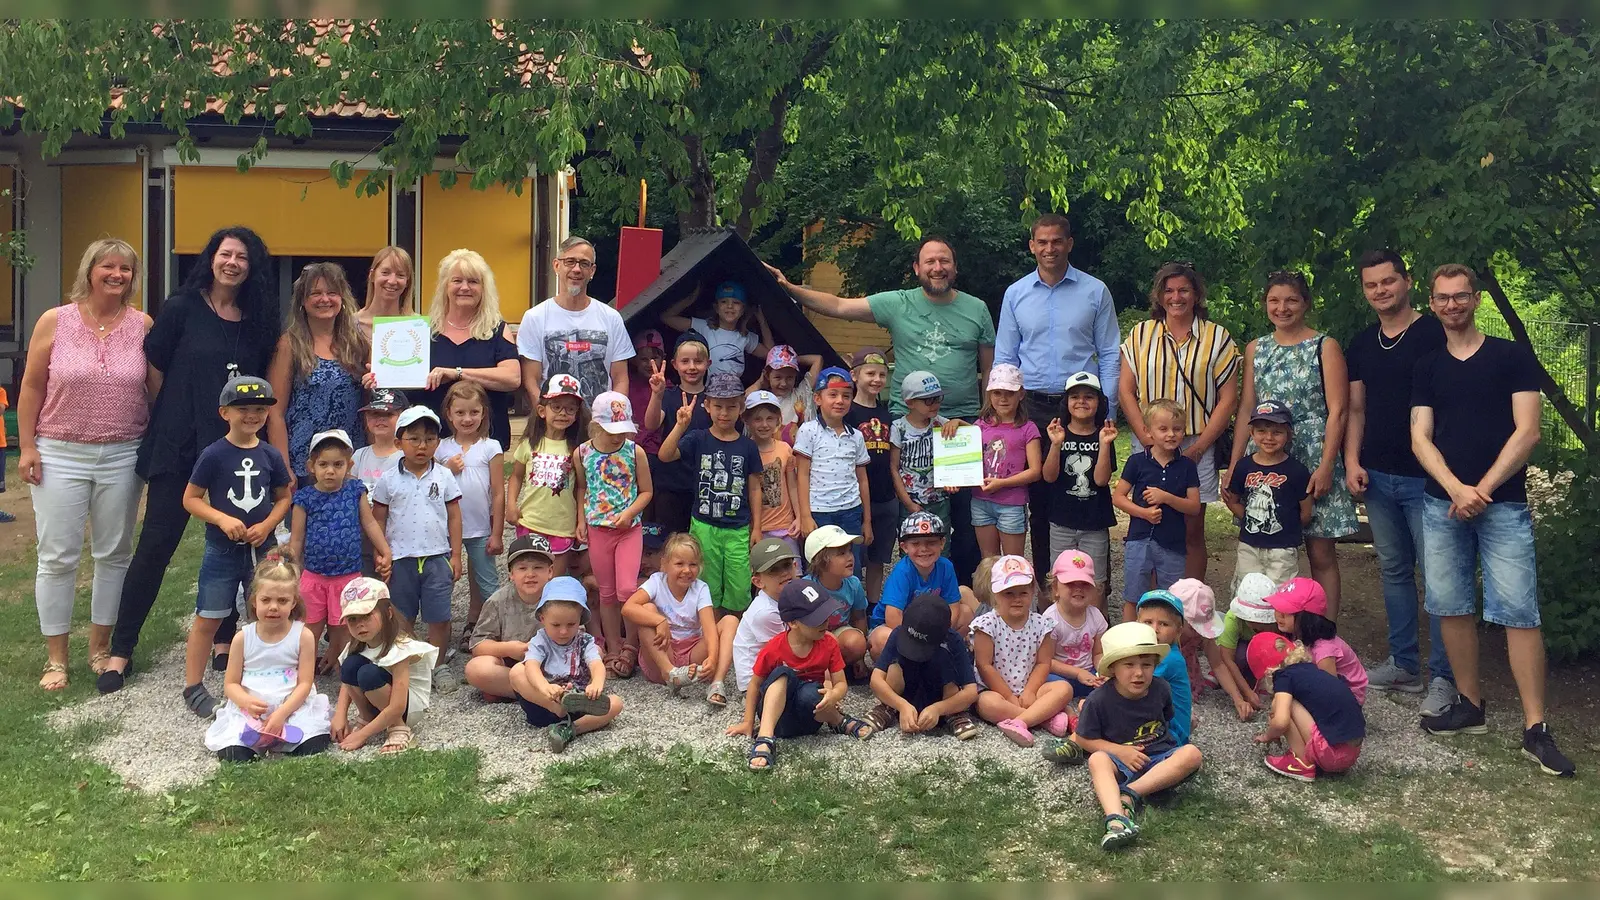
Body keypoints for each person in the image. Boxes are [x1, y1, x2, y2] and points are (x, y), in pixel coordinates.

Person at [100, 226, 281, 694]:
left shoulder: (258, 320)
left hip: (235, 450)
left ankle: (224, 639)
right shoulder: (181, 307)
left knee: (230, 544)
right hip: (179, 444)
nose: (233, 262)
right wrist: (182, 415)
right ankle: (120, 650)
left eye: (243, 256)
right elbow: (155, 370)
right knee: (155, 546)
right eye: (226, 253)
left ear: (252, 266)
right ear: (211, 258)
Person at [1411, 264, 1573, 776]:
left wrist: (1481, 489)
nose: (1452, 305)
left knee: (1519, 611)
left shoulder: (1510, 356)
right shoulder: (1428, 364)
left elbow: (1528, 431)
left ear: (1476, 299)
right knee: (1450, 605)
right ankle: (1470, 706)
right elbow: (1420, 437)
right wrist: (1457, 489)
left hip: (1502, 505)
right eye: (1442, 298)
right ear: (1433, 303)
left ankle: (1535, 727)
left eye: (1461, 296)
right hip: (1442, 504)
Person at [766, 237, 992, 584]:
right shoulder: (898, 303)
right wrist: (788, 287)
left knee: (963, 516)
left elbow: (988, 367)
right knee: (911, 510)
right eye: (929, 261)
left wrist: (985, 415)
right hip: (907, 423)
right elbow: (839, 306)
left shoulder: (977, 309)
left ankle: (958, 595)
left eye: (944, 261)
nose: (937, 267)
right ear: (917, 268)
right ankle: (911, 589)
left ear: (954, 267)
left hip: (958, 426)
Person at [19, 238, 152, 690]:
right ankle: (56, 658)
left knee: (114, 553)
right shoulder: (55, 321)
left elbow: (154, 391)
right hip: (59, 451)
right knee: (57, 556)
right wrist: (28, 447)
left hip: (122, 453)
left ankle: (100, 647)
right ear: (89, 270)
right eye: (107, 267)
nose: (117, 275)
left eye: (126, 269)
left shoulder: (143, 326)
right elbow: (32, 387)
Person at [1345, 250, 1454, 713]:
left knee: (1439, 577)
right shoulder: (1363, 343)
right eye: (1372, 285)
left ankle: (1446, 678)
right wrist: (1351, 460)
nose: (1380, 291)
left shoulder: (1435, 332)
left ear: (1407, 282)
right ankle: (1404, 663)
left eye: (1388, 282)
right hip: (1378, 474)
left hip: (1427, 479)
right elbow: (1355, 408)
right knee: (1394, 570)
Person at [996, 214, 1122, 578]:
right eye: (1042, 242)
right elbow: (1006, 356)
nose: (1049, 248)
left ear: (1069, 243)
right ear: (1032, 246)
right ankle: (1050, 586)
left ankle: (1094, 589)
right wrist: (1004, 413)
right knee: (1039, 496)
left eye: (1056, 241)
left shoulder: (1094, 291)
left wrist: (1107, 408)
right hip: (1032, 404)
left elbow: (1110, 352)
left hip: (1083, 405)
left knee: (1090, 495)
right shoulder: (1016, 294)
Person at [1231, 270, 1356, 617]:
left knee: (1320, 552)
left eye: (1291, 300)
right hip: (1266, 456)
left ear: (1305, 304)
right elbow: (1246, 409)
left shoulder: (1324, 346)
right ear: (1265, 304)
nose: (1282, 308)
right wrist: (1237, 461)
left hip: (1313, 453)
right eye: (1274, 300)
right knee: (1263, 547)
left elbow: (1339, 410)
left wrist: (1327, 464)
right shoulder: (1256, 348)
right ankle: (1262, 625)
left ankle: (1323, 630)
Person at [179, 375, 294, 719]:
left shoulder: (270, 454)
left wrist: (268, 525)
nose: (252, 416)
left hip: (264, 549)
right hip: (222, 550)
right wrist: (221, 519)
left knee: (269, 613)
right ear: (224, 412)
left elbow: (284, 497)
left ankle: (266, 676)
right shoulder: (213, 455)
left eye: (260, 409)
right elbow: (191, 499)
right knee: (209, 616)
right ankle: (193, 685)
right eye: (243, 409)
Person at [1119, 262, 1240, 580]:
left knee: (1191, 529)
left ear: (1197, 294)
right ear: (1159, 296)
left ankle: (1189, 607)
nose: (1176, 297)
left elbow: (1228, 399)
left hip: (1194, 442)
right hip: (1148, 442)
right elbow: (1126, 390)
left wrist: (1199, 448)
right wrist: (1146, 439)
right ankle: (1155, 610)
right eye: (1169, 290)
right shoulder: (1141, 334)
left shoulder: (1217, 338)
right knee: (1151, 526)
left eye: (1184, 289)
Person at [1060, 622, 1204, 850]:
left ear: (1155, 665)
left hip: (1159, 755)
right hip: (1119, 758)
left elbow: (1167, 721)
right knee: (1097, 760)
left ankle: (1130, 794)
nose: (1139, 673)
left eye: (1146, 665)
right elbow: (1085, 739)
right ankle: (1116, 818)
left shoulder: (1162, 689)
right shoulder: (1098, 700)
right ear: (1113, 668)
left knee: (1192, 754)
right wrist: (1119, 751)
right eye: (1129, 665)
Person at [727, 579, 876, 771]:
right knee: (783, 674)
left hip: (810, 718)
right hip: (775, 719)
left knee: (814, 692)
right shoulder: (775, 647)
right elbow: (755, 684)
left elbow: (840, 683)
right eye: (816, 620)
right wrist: (748, 722)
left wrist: (834, 695)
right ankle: (765, 738)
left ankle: (838, 720)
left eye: (826, 615)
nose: (825, 623)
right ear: (792, 622)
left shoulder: (829, 644)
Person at [205, 553, 332, 762]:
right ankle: (257, 738)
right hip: (252, 708)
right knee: (234, 753)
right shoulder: (243, 638)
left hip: (290, 705)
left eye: (282, 601)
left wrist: (282, 713)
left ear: (293, 603)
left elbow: (305, 683)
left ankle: (282, 735)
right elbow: (230, 684)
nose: (274, 607)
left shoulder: (303, 636)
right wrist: (244, 701)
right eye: (266, 600)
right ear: (255, 601)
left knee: (314, 744)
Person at [658, 372, 765, 615]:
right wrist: (680, 426)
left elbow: (755, 487)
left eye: (731, 406)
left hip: (738, 527)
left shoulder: (748, 446)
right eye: (718, 406)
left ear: (741, 408)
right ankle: (712, 638)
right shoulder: (698, 438)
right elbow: (665, 455)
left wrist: (756, 527)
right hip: (704, 525)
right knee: (707, 586)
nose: (724, 413)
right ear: (707, 406)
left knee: (739, 587)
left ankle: (734, 636)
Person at [398, 249, 522, 449]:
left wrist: (457, 373)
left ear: (484, 288)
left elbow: (512, 378)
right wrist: (381, 377)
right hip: (431, 444)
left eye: (473, 281)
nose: (465, 287)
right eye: (457, 281)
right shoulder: (422, 331)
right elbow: (405, 382)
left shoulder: (497, 329)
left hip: (485, 444)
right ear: (445, 286)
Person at [290, 429, 391, 674]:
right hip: (313, 577)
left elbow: (368, 523)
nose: (330, 471)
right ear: (311, 466)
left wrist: (384, 549)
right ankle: (302, 676)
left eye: (338, 464)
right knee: (310, 626)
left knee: (345, 626)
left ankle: (345, 670)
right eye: (323, 464)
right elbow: (297, 539)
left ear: (349, 465)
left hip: (347, 576)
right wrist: (292, 572)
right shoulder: (304, 498)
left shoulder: (355, 490)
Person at [371, 406, 463, 665]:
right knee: (401, 615)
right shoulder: (388, 480)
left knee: (440, 616)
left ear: (437, 442)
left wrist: (456, 555)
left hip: (437, 557)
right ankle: (409, 663)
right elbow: (378, 519)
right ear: (399, 442)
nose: (422, 446)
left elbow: (454, 516)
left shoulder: (444, 475)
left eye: (430, 439)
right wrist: (382, 554)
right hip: (401, 558)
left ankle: (438, 663)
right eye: (414, 439)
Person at [574, 390, 654, 677]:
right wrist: (580, 520)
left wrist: (630, 513)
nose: (618, 436)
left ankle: (631, 646)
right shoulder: (582, 452)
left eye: (622, 430)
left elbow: (646, 491)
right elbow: (583, 488)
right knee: (606, 593)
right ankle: (612, 645)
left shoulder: (634, 452)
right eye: (611, 430)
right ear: (596, 425)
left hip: (628, 531)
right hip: (598, 530)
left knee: (627, 590)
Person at [268, 262, 369, 482]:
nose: (325, 299)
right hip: (306, 465)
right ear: (303, 301)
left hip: (350, 463)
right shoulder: (289, 344)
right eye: (316, 293)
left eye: (332, 293)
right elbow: (275, 412)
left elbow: (369, 402)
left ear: (342, 299)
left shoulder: (358, 343)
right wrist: (284, 467)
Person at [509, 575, 622, 753]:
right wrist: (545, 688)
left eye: (571, 624)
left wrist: (596, 684)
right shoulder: (540, 640)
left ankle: (571, 729)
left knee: (616, 703)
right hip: (545, 703)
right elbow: (531, 666)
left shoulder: (584, 640)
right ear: (542, 618)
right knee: (517, 671)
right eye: (556, 624)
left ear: (581, 619)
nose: (563, 631)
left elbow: (596, 664)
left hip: (579, 703)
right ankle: (559, 709)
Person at [518, 236, 633, 407]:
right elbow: (530, 380)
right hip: (553, 423)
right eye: (570, 261)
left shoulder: (611, 318)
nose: (577, 269)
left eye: (584, 264)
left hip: (599, 424)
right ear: (557, 265)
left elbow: (620, 378)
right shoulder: (535, 317)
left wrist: (612, 417)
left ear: (592, 271)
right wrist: (545, 417)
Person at [1112, 400, 1200, 623]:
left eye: (1177, 429)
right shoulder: (1137, 462)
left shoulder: (1187, 466)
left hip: (1173, 543)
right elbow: (1118, 497)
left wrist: (1166, 498)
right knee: (1134, 596)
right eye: (1163, 429)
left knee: (1170, 598)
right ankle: (1130, 642)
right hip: (1139, 539)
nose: (1171, 434)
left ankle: (1168, 644)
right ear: (1148, 431)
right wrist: (1143, 513)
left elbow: (1194, 506)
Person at [971, 555, 1074, 747]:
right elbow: (984, 665)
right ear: (995, 593)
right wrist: (1009, 696)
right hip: (997, 690)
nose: (1017, 599)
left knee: (1064, 688)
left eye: (1023, 593)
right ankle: (1044, 718)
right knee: (986, 704)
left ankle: (1021, 721)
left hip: (1031, 687)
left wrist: (1030, 690)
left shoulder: (1042, 624)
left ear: (1033, 591)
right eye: (1008, 593)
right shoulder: (986, 625)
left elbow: (1044, 662)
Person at [333, 577, 438, 755]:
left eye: (367, 616)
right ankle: (367, 717)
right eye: (352, 619)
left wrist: (363, 735)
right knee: (350, 665)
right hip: (382, 700)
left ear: (388, 613)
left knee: (368, 674)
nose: (359, 624)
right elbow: (346, 682)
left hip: (406, 708)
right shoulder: (357, 645)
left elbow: (398, 705)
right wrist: (339, 715)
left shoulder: (400, 648)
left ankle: (398, 727)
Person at [436, 381, 505, 644]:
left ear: (483, 413)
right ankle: (442, 632)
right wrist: (446, 469)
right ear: (449, 414)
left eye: (474, 412)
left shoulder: (491, 447)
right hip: (445, 530)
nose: (467, 419)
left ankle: (490, 630)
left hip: (480, 529)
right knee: (444, 580)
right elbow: (432, 486)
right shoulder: (441, 449)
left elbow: (498, 491)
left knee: (487, 582)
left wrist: (497, 532)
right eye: (460, 412)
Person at [1042, 372, 1118, 608]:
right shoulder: (1057, 433)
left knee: (1095, 582)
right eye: (1075, 396)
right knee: (1060, 579)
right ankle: (1062, 629)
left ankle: (1096, 631)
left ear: (1099, 403)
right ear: (1066, 402)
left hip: (1094, 522)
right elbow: (1049, 476)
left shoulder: (1104, 435)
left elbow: (1101, 479)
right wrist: (1056, 444)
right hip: (1062, 521)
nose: (1082, 401)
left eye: (1089, 397)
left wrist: (1104, 445)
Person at [1248, 632, 1365, 782]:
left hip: (1331, 755)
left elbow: (1281, 722)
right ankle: (1314, 757)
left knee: (1281, 705)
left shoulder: (1283, 676)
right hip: (1352, 754)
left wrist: (1269, 735)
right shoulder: (1312, 670)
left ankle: (1301, 763)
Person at [622, 533, 726, 700]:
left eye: (693, 564)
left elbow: (709, 629)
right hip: (662, 653)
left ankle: (717, 682)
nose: (687, 570)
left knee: (730, 621)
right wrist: (659, 620)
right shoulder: (656, 581)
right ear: (664, 565)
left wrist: (713, 657)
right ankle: (670, 674)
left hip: (692, 655)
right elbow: (628, 608)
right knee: (646, 608)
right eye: (679, 564)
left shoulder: (700, 588)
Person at [866, 591, 981, 739]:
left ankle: (954, 713)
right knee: (893, 666)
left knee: (945, 659)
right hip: (905, 691)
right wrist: (901, 705)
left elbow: (971, 691)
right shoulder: (898, 634)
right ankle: (888, 707)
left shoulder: (953, 641)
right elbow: (876, 679)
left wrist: (939, 709)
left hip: (941, 695)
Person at [1223, 399, 1313, 589]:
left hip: (1283, 547)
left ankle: (1279, 620)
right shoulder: (1244, 466)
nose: (1269, 437)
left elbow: (1305, 512)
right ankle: (1246, 620)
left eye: (1277, 432)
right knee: (1247, 589)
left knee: (1280, 593)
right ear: (1252, 433)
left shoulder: (1297, 470)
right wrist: (1250, 518)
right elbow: (1232, 499)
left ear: (1289, 434)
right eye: (1262, 431)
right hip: (1249, 543)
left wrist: (1285, 527)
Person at [867, 512, 978, 657]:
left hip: (930, 624)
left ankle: (941, 655)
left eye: (931, 542)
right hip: (896, 626)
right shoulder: (902, 571)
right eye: (915, 543)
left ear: (942, 543)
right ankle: (904, 666)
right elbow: (893, 617)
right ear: (904, 547)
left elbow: (953, 606)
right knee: (882, 639)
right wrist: (918, 639)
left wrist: (939, 633)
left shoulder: (946, 566)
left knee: (966, 614)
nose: (924, 549)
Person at [794, 366, 872, 572]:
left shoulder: (856, 435)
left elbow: (862, 479)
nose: (840, 400)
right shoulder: (808, 430)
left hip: (850, 511)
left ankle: (852, 604)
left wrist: (867, 520)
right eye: (833, 394)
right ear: (818, 399)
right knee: (819, 567)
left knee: (850, 567)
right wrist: (805, 516)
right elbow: (802, 474)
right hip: (819, 512)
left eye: (846, 396)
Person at [508, 374, 587, 572]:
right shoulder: (529, 444)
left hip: (562, 527)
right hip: (531, 522)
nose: (563, 413)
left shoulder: (577, 449)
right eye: (557, 406)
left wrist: (580, 521)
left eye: (570, 408)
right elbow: (516, 476)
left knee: (555, 581)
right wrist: (510, 505)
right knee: (531, 577)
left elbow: (581, 487)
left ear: (577, 414)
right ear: (542, 410)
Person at [465, 535, 556, 700]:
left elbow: (578, 636)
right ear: (511, 574)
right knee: (476, 668)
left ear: (550, 572)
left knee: (596, 653)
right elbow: (478, 645)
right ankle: (540, 693)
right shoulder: (497, 601)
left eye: (538, 567)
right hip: (512, 665)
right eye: (522, 568)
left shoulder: (561, 598)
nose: (530, 574)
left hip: (552, 663)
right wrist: (510, 649)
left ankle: (528, 693)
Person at [844, 347, 897, 603]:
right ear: (855, 376)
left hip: (886, 497)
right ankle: (853, 607)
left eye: (882, 374)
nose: (876, 379)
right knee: (853, 558)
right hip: (855, 498)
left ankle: (873, 607)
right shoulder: (847, 413)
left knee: (878, 559)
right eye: (870, 373)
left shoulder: (889, 413)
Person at [972, 364, 1042, 558]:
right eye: (997, 393)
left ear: (1020, 394)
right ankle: (990, 591)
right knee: (989, 560)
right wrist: (956, 424)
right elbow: (965, 457)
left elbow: (1035, 471)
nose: (1003, 399)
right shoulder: (979, 426)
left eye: (1009, 393)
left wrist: (1002, 483)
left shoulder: (1028, 428)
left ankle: (1015, 590)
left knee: (1013, 561)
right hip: (980, 500)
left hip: (1012, 503)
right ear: (989, 395)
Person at [643, 335, 710, 536]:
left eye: (698, 361)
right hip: (671, 485)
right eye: (685, 361)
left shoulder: (714, 401)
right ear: (674, 364)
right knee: (670, 543)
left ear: (708, 364)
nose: (692, 367)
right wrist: (657, 394)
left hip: (704, 486)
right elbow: (651, 424)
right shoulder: (669, 396)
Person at [1270, 577, 1368, 704]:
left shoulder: (1324, 650)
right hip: (1321, 681)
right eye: (1277, 608)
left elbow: (1330, 690)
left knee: (1288, 706)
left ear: (1307, 617)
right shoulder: (1296, 633)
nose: (1278, 615)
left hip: (1345, 699)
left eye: (1287, 612)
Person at [888, 370, 962, 534]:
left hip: (940, 500)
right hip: (910, 500)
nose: (935, 404)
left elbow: (973, 437)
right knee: (911, 544)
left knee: (942, 543)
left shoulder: (942, 423)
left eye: (938, 398)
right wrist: (907, 503)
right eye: (929, 400)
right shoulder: (898, 428)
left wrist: (958, 422)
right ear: (910, 402)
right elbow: (894, 467)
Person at [729, 537, 802, 695]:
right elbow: (786, 650)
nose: (783, 572)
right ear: (758, 581)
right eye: (774, 570)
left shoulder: (784, 596)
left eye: (787, 565)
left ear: (795, 567)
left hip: (773, 668)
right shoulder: (764, 612)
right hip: (755, 683)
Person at [660, 280, 773, 379]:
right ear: (716, 307)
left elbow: (772, 354)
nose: (730, 306)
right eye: (724, 301)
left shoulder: (744, 336)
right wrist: (690, 299)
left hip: (734, 396)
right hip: (708, 394)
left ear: (743, 309)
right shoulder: (704, 327)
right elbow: (667, 318)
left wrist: (761, 319)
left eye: (736, 302)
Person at [802, 525, 871, 674]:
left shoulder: (853, 584)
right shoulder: (807, 587)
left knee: (857, 643)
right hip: (812, 637)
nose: (850, 557)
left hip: (839, 632)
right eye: (841, 553)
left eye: (849, 551)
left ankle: (837, 666)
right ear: (820, 561)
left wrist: (860, 658)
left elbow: (859, 617)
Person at [1131, 589, 1194, 748]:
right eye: (1148, 622)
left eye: (1164, 624)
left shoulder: (1168, 658)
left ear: (1178, 631)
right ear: (1137, 623)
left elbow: (1131, 689)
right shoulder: (1148, 652)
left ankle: (1080, 740)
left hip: (1170, 733)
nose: (1155, 629)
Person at [1043, 550, 1108, 701]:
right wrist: (1077, 673)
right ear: (1055, 588)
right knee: (1054, 687)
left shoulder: (1095, 616)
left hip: (1088, 672)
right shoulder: (1050, 619)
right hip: (1059, 674)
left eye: (1085, 584)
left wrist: (1102, 670)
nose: (1078, 588)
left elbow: (1097, 654)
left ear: (1094, 589)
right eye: (1070, 583)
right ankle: (1064, 711)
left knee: (1114, 683)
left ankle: (1089, 705)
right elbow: (1047, 661)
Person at [1215, 572, 1284, 701]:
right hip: (1242, 650)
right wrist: (1246, 692)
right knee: (1239, 655)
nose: (1257, 623)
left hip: (1264, 652)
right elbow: (1227, 657)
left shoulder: (1279, 619)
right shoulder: (1233, 619)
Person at [746, 390, 798, 553]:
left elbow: (792, 486)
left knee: (792, 573)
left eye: (770, 418)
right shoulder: (744, 450)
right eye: (758, 419)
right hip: (756, 529)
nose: (764, 424)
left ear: (778, 420)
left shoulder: (785, 449)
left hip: (786, 526)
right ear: (747, 420)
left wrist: (799, 517)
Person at [751, 344, 822, 445]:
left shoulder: (802, 393)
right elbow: (744, 400)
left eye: (789, 378)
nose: (784, 383)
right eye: (778, 377)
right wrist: (760, 381)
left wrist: (791, 359)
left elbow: (818, 360)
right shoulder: (761, 399)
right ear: (767, 375)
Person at [626, 329, 667, 471]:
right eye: (643, 359)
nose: (650, 364)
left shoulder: (669, 387)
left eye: (654, 358)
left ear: (664, 359)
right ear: (633, 360)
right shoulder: (626, 384)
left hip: (654, 454)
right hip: (626, 449)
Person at [356, 246, 415, 331]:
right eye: (385, 273)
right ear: (372, 275)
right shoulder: (350, 324)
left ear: (407, 282)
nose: (392, 281)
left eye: (400, 275)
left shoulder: (417, 326)